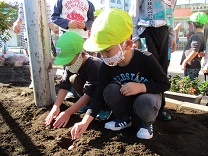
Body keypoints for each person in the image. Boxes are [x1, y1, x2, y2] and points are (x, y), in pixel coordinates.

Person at [71, 9, 170, 140]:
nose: (104, 56)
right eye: (101, 52)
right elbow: (98, 94)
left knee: (145, 100)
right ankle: (124, 119)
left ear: (127, 44)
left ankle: (145, 124)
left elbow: (164, 84)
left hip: (146, 103)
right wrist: (85, 121)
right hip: (127, 102)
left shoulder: (146, 59)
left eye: (107, 51)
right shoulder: (107, 66)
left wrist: (142, 87)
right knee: (109, 90)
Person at [45, 31, 111, 128]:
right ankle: (87, 104)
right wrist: (56, 107)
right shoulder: (72, 65)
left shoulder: (94, 66)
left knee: (104, 92)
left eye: (69, 63)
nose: (67, 66)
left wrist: (68, 112)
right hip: (90, 93)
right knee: (73, 78)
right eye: (65, 63)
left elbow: (90, 93)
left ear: (83, 54)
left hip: (102, 95)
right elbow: (64, 85)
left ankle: (105, 109)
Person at [129, 0, 177, 121]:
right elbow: (133, 12)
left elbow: (171, 13)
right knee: (148, 69)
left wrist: (172, 36)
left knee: (162, 70)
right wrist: (134, 37)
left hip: (164, 32)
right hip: (146, 31)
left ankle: (159, 107)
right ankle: (143, 107)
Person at [13, 1, 59, 89]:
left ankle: (49, 80)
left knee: (46, 58)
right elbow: (21, 18)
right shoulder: (24, 3)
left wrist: (54, 29)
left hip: (44, 35)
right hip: (29, 35)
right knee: (32, 59)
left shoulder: (45, 3)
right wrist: (17, 24)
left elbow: (49, 20)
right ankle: (34, 80)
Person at [180, 12, 207, 80]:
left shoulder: (197, 36)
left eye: (189, 24)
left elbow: (194, 51)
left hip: (191, 66)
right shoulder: (200, 35)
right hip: (193, 65)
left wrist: (185, 61)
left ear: (192, 24)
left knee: (190, 84)